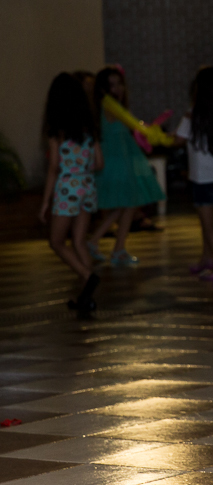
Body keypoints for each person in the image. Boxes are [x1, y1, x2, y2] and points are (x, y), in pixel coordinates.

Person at [86, 66, 166, 266]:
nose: (118, 88)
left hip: (118, 161)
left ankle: (97, 242)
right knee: (128, 204)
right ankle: (117, 249)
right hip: (116, 163)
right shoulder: (110, 105)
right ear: (104, 88)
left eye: (119, 83)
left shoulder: (109, 105)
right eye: (112, 84)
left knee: (122, 206)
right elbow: (134, 125)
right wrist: (155, 134)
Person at [38, 73, 103, 316]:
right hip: (87, 186)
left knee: (56, 242)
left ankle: (87, 277)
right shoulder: (89, 128)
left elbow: (54, 166)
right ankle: (86, 297)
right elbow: (98, 163)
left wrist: (45, 201)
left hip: (67, 187)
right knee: (79, 242)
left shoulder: (57, 131)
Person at [174, 67, 213, 281]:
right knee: (206, 221)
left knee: (209, 226)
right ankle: (206, 259)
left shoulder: (193, 114)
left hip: (202, 178)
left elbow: (178, 140)